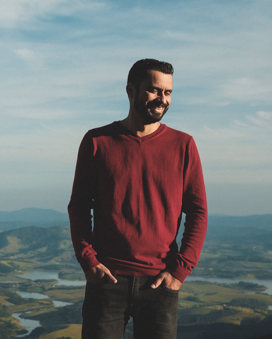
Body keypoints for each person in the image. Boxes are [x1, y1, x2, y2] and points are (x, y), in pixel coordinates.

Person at [68, 59, 207, 339]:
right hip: (107, 280)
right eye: (155, 90)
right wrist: (89, 262)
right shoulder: (97, 141)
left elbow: (198, 212)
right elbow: (79, 207)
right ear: (131, 91)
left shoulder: (184, 145)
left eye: (168, 93)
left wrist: (180, 271)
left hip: (160, 283)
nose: (162, 99)